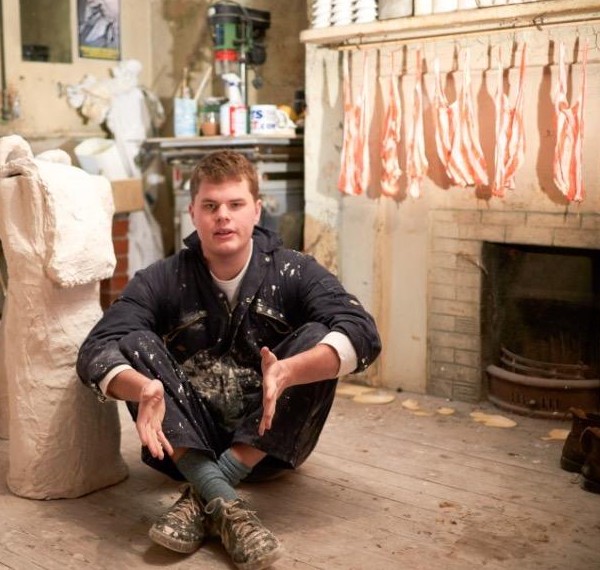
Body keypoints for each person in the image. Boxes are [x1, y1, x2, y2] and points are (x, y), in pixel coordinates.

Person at [77, 150, 381, 570]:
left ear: (257, 210)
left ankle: (210, 485)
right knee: (135, 342)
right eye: (210, 206)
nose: (223, 216)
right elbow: (96, 347)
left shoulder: (295, 270)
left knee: (316, 338)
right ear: (193, 213)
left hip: (270, 451)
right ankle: (225, 502)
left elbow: (363, 332)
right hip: (182, 446)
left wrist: (291, 370)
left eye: (235, 204)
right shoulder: (162, 278)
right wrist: (141, 387)